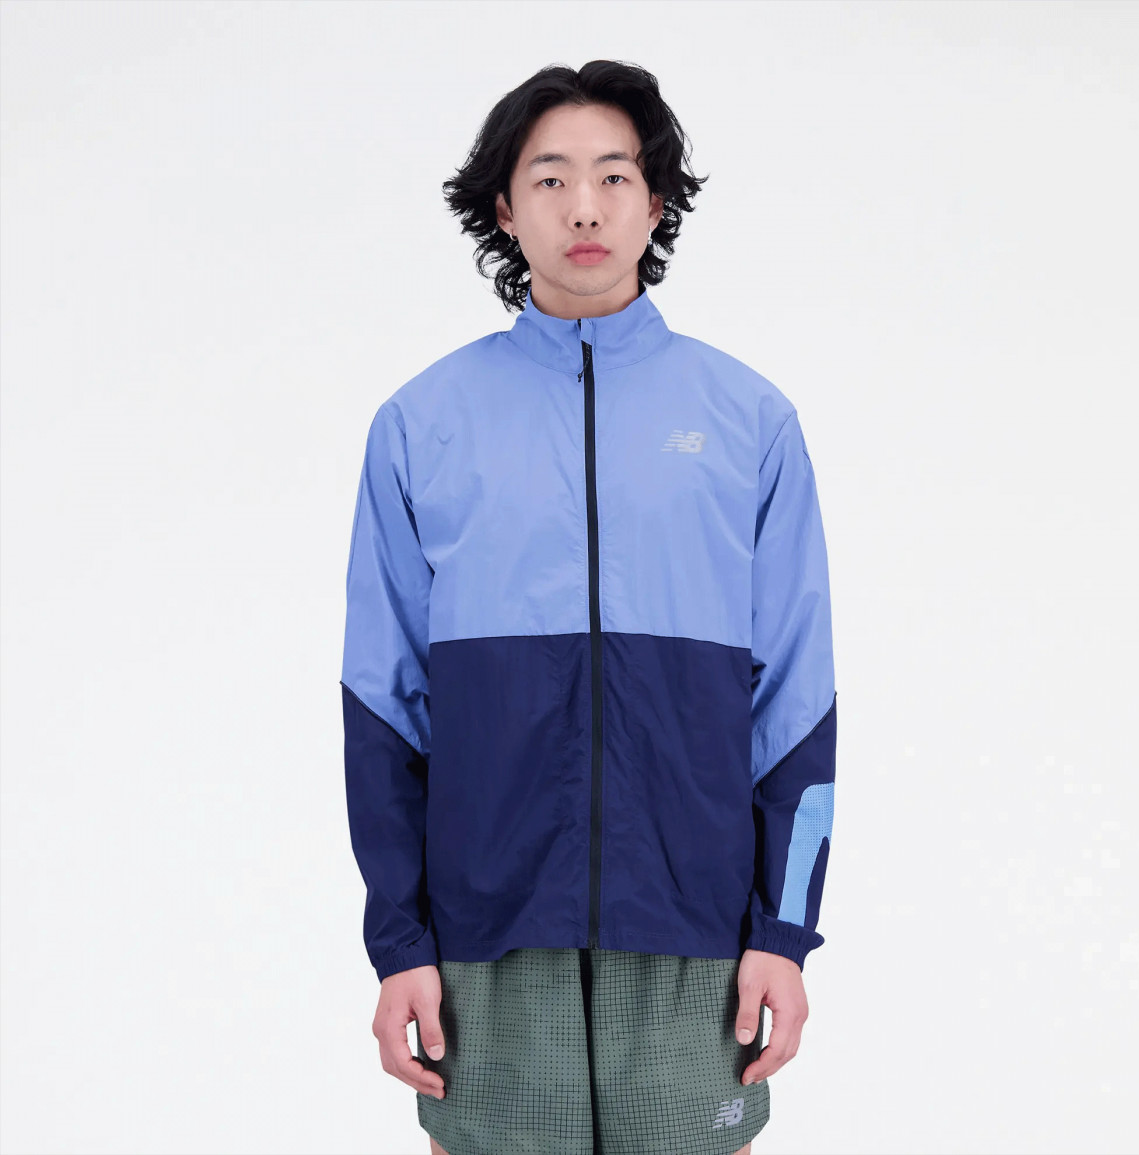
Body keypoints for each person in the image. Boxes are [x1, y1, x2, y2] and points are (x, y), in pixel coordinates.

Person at [340, 59, 838, 1155]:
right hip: (485, 934)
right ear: (503, 207)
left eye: (614, 176)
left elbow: (797, 699)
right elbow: (383, 704)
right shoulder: (422, 424)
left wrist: (784, 932)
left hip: (696, 931)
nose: (583, 207)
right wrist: (400, 944)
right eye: (550, 177)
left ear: (655, 204)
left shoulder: (749, 421)